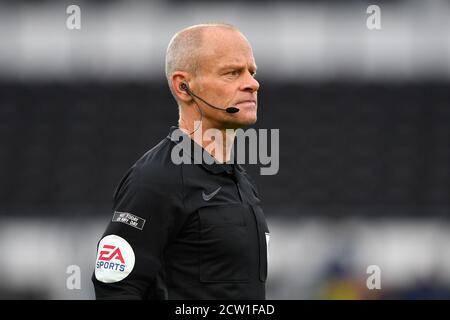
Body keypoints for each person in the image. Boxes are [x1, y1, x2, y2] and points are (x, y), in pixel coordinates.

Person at [92, 23, 270, 299]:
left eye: (251, 71)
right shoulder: (155, 179)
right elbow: (116, 288)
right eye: (232, 73)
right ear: (184, 87)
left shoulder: (240, 182)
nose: (252, 83)